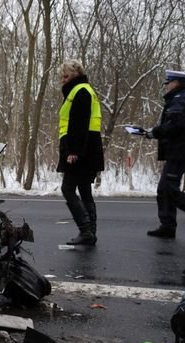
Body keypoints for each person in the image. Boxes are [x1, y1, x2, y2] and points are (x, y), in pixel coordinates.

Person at [143, 69, 185, 239]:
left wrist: (154, 132)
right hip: (183, 150)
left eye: (168, 83)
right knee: (164, 189)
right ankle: (167, 226)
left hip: (179, 151)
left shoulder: (180, 100)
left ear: (176, 83)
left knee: (169, 189)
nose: (166, 86)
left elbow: (175, 125)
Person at [56, 59, 105, 245]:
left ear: (76, 74)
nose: (63, 78)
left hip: (80, 149)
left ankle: (85, 231)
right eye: (62, 74)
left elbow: (79, 123)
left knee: (67, 189)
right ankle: (90, 233)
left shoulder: (81, 91)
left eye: (66, 74)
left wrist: (73, 151)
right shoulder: (85, 90)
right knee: (84, 190)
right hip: (89, 148)